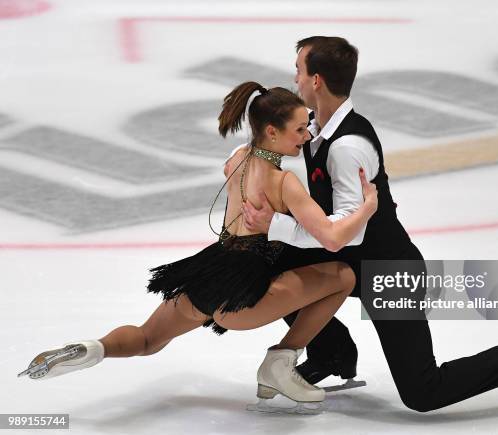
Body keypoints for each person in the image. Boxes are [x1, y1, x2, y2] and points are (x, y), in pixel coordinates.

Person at [242, 36, 498, 412]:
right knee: (258, 269)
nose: (294, 79)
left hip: (387, 270)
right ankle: (331, 351)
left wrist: (275, 225)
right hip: (347, 263)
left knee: (423, 391)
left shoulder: (347, 148)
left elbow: (346, 234)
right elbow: (267, 144)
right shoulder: (312, 129)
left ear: (316, 81)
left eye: (299, 70)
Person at [18, 81, 379, 408]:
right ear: (273, 131)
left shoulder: (238, 160)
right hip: (245, 293)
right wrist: (366, 209)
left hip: (210, 272)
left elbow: (235, 162)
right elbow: (331, 238)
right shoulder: (285, 182)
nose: (306, 135)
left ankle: (95, 348)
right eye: (300, 129)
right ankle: (280, 362)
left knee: (147, 339)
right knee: (343, 275)